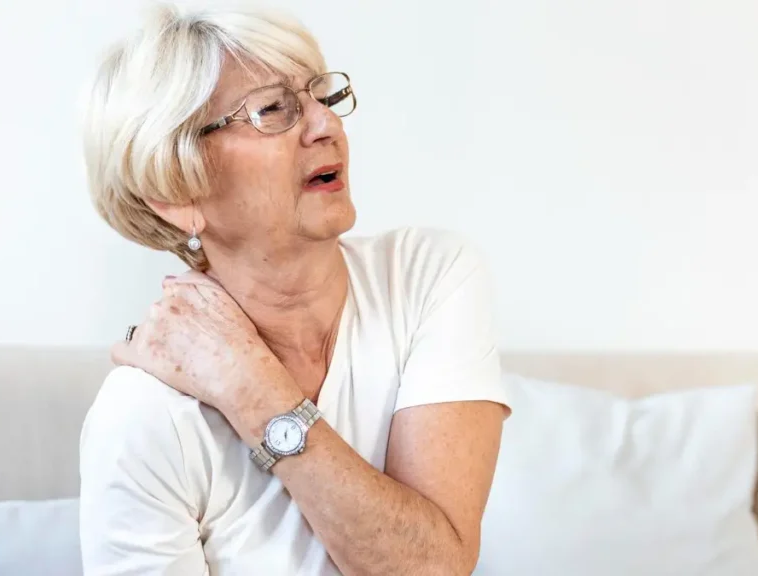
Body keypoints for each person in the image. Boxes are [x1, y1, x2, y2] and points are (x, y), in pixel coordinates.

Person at [78, 4, 511, 574]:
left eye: (320, 96)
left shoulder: (427, 276)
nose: (327, 126)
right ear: (177, 191)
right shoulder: (143, 416)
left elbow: (435, 566)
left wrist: (251, 387)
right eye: (272, 110)